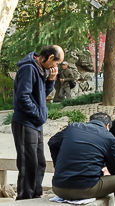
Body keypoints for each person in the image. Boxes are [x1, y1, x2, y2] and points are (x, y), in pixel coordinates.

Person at [12, 45, 63, 200]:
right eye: (57, 62)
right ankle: (25, 199)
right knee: (28, 163)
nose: (56, 66)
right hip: (25, 122)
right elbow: (23, 97)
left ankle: (35, 196)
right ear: (50, 58)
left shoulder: (40, 69)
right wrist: (37, 115)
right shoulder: (29, 68)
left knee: (39, 162)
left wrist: (50, 81)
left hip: (35, 123)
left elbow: (40, 95)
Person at [48, 112, 115, 206]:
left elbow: (52, 142)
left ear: (90, 121)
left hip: (58, 188)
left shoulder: (72, 127)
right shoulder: (108, 137)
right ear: (107, 126)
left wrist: (58, 166)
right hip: (85, 189)